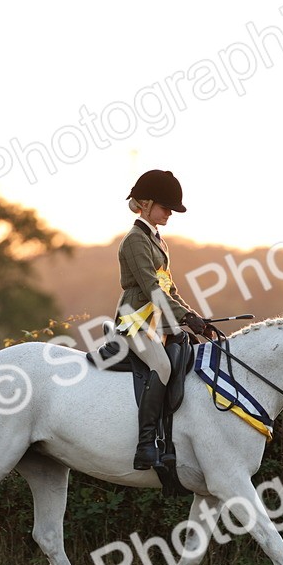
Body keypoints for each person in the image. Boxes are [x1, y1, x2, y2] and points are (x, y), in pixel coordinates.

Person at [114, 169, 214, 470]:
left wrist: (194, 317)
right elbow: (151, 289)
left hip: (158, 320)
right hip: (136, 320)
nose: (169, 212)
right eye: (165, 206)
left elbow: (170, 290)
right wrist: (184, 316)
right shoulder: (135, 240)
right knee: (162, 365)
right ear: (145, 204)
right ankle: (145, 444)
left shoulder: (157, 239)